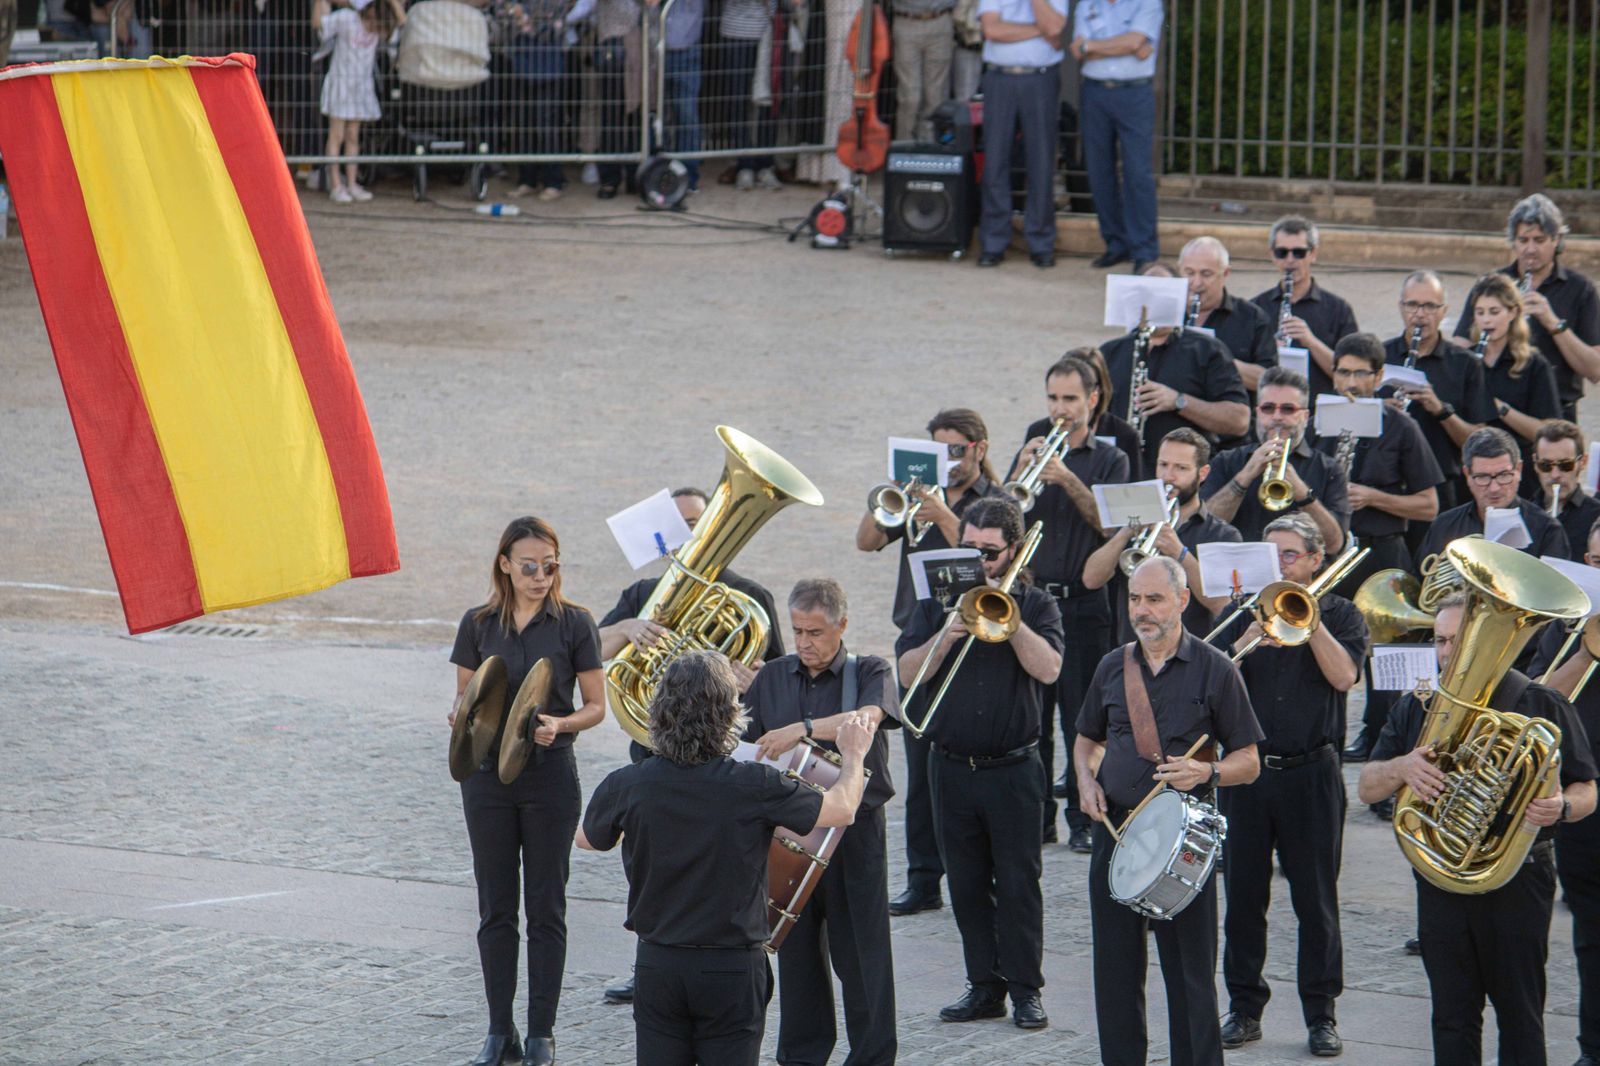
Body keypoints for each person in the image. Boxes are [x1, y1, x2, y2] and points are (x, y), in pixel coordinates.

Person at [577, 650, 873, 1066]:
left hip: (660, 962)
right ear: (728, 716)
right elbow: (841, 810)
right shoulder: (755, 784)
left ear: (659, 712)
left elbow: (587, 839)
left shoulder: (629, 784)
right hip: (732, 967)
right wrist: (855, 754)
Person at [1357, 593, 1597, 1066]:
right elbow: (1366, 787)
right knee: (1451, 1015)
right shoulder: (1417, 705)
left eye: (1458, 640)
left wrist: (1562, 805)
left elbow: (1588, 787)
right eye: (1441, 641)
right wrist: (1402, 768)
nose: (1448, 653)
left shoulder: (1539, 701)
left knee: (1520, 1014)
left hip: (1518, 879)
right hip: (1441, 880)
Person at [595, 485, 784, 1005]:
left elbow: (782, 680)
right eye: (678, 524)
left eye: (699, 522)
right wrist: (629, 629)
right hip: (655, 758)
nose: (690, 534)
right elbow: (586, 648)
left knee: (728, 869)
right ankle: (649, 965)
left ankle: (740, 962)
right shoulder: (643, 596)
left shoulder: (752, 598)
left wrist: (754, 680)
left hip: (725, 762)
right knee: (649, 869)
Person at [1075, 555, 1263, 1066]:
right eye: (1135, 599)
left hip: (1184, 841)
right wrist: (1085, 778)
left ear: (1182, 601)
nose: (1142, 610)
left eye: (1154, 599)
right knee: (1114, 971)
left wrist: (1208, 773)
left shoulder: (1216, 669)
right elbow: (1087, 737)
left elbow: (1250, 761)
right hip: (1116, 830)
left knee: (1190, 976)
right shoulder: (1112, 665)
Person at [896, 497, 1065, 1030]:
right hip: (950, 767)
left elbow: (1051, 669)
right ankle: (983, 986)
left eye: (989, 553)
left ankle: (1026, 990)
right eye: (969, 548)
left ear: (1012, 551)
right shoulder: (938, 601)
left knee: (1018, 885)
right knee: (965, 885)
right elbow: (906, 673)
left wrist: (1008, 618)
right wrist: (945, 635)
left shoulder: (1035, 605)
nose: (979, 561)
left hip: (1014, 770)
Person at [449, 517, 607, 1066]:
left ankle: (542, 1033)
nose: (541, 576)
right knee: (496, 907)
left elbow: (596, 706)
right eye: (530, 566)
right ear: (505, 565)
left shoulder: (576, 624)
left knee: (546, 908)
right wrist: (458, 715)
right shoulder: (477, 623)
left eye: (550, 565)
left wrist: (561, 725)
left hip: (549, 778)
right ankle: (499, 1032)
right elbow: (467, 699)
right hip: (486, 780)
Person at [1210, 514, 1367, 1058]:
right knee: (1244, 898)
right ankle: (1244, 1008)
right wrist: (1251, 635)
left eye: (1291, 556)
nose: (1280, 566)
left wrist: (1309, 620)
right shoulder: (1241, 613)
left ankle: (1321, 1014)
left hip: (1312, 774)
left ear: (1316, 560)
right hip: (1249, 775)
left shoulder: (1342, 613)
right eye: (1271, 556)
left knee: (1316, 901)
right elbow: (1212, 680)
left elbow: (1345, 677)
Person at [742, 579, 900, 1066]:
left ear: (842, 625)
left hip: (854, 834)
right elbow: (749, 749)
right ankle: (802, 1056)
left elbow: (867, 720)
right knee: (797, 954)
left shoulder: (870, 670)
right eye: (797, 631)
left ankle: (872, 1057)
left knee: (863, 956)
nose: (805, 642)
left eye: (815, 632)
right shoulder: (772, 676)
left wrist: (803, 730)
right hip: (790, 833)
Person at [856, 407, 1006, 916]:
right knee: (918, 768)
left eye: (957, 450)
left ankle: (973, 870)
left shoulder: (998, 502)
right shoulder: (919, 500)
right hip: (919, 634)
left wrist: (940, 511)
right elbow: (867, 541)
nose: (949, 460)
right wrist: (892, 500)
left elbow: (977, 542)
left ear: (979, 449)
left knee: (958, 764)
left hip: (977, 633)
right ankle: (923, 879)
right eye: (939, 451)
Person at [1007, 355, 1130, 850]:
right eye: (1054, 398)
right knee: (1035, 718)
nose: (1060, 410)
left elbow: (1111, 525)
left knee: (1082, 718)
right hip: (1035, 602)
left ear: (1093, 400)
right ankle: (1039, 822)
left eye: (1070, 400)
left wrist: (1068, 479)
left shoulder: (1111, 458)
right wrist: (1019, 470)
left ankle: (1084, 821)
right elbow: (1003, 517)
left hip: (1085, 604)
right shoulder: (1035, 434)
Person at [1314, 334, 1443, 764]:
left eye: (1360, 374)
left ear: (1379, 376)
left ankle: (1384, 746)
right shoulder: (1324, 420)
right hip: (1334, 554)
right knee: (1325, 645)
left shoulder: (1401, 427)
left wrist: (1373, 497)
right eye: (1343, 372)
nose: (1350, 382)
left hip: (1381, 552)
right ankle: (1326, 738)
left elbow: (1428, 504)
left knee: (1387, 660)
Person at [1528, 519, 1600, 1066]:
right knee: (1591, 936)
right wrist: (1589, 649)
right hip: (1586, 796)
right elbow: (1539, 700)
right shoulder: (1565, 630)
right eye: (1596, 562)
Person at [1450, 193, 1600, 422]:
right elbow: (1460, 350)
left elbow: (1594, 370)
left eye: (1539, 240)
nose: (1530, 250)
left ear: (1556, 239)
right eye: (1523, 240)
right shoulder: (1491, 285)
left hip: (1556, 413)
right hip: (1493, 408)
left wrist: (1553, 323)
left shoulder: (1580, 290)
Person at [1084, 427, 1241, 640]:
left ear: (1202, 473)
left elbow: (1222, 604)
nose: (1168, 476)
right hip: (1133, 652)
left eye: (1181, 468)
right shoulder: (1137, 522)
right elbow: (1091, 579)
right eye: (1163, 465)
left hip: (1191, 656)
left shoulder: (1222, 534)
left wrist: (1180, 553)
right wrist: (1126, 530)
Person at [1201, 366, 1351, 554]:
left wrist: (1303, 493)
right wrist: (1244, 477)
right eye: (1268, 408)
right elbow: (1203, 530)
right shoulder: (1227, 460)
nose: (1277, 417)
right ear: (1258, 412)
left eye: (1288, 409)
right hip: (1239, 575)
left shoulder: (1329, 469)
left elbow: (1335, 545)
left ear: (1305, 416)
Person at [1381, 271, 1495, 515]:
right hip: (1386, 485)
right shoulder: (1379, 356)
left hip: (1443, 486)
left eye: (1430, 306)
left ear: (1444, 311)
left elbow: (1478, 442)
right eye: (1412, 304)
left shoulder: (1466, 364)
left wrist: (1441, 411)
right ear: (1401, 307)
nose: (1420, 314)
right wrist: (1379, 413)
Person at [1069, 0, 1163, 273]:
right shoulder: (1087, 4)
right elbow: (1078, 49)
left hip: (1134, 94)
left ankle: (1144, 250)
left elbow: (1134, 42)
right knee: (1100, 171)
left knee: (1137, 172)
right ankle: (1115, 243)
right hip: (1095, 93)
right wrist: (1124, 46)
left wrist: (1094, 47)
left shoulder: (1148, 3)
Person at [973, 0, 1068, 269]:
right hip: (999, 78)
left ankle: (1040, 242)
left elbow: (1054, 25)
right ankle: (993, 242)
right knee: (995, 162)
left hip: (1040, 78)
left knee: (1041, 161)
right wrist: (1039, 30)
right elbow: (992, 30)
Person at [1100, 314, 1251, 469]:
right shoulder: (1110, 352)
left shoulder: (1206, 349)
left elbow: (1239, 421)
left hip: (1186, 476)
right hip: (1123, 471)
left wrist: (1178, 401)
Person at [1413, 427, 1571, 571]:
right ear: (1467, 474)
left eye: (1503, 475)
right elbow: (1423, 583)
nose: (1494, 488)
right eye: (1483, 477)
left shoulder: (1548, 530)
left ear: (1519, 470)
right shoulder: (1444, 525)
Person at [1462, 272, 1562, 498]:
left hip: (1518, 479)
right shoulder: (1464, 361)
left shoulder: (1534, 364)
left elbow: (1547, 432)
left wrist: (1501, 409)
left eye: (1494, 312)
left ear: (1513, 312)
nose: (1486, 320)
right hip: (1473, 476)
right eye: (1480, 313)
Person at [1250, 216, 1361, 405]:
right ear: (1272, 255)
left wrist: (1310, 342)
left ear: (1313, 253)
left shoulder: (1338, 310)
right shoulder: (1255, 308)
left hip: (1319, 413)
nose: (1290, 260)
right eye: (1282, 252)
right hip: (1271, 413)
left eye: (1299, 253)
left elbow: (1353, 378)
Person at [314, 0, 403, 204]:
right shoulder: (347, 19)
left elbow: (402, 21)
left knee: (353, 135)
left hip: (361, 87)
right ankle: (336, 183)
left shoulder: (378, 27)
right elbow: (319, 25)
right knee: (337, 135)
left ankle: (352, 182)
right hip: (341, 83)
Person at [1178, 236, 1277, 395]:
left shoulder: (1252, 317)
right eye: (1189, 273)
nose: (1196, 283)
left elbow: (1269, 382)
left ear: (1225, 273)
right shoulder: (1164, 314)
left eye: (1206, 274)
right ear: (1179, 269)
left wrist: (1215, 358)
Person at [719, 0, 783, 191]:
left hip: (769, 30)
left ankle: (766, 165)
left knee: (770, 102)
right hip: (736, 32)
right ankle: (744, 165)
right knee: (738, 101)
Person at [892, 0, 956, 142]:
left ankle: (931, 146)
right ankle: (904, 145)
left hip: (940, 20)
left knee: (936, 94)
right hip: (907, 20)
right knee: (910, 95)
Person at [1536, 421, 1600, 556]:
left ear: (1582, 462)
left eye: (1565, 465)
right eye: (1546, 465)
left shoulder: (1597, 515)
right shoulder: (1523, 513)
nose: (1555, 475)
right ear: (1535, 463)